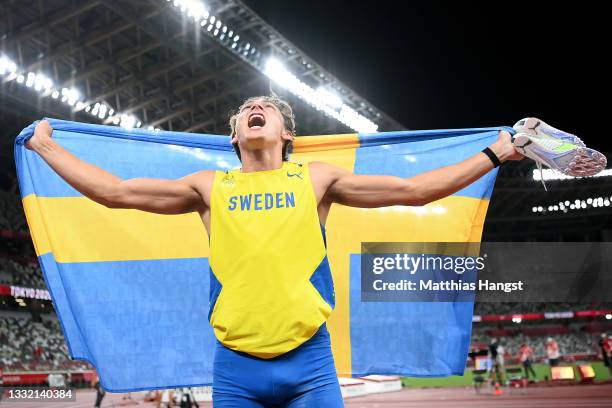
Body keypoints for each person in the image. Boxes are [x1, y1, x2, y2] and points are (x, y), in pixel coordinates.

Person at [26, 95, 528, 407]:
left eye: (264, 106)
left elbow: (414, 190)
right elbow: (115, 192)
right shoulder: (209, 186)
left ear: (286, 133)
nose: (254, 107)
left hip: (309, 366)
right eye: (246, 109)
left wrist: (495, 153)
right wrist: (46, 146)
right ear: (236, 134)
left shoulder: (317, 178)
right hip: (236, 370)